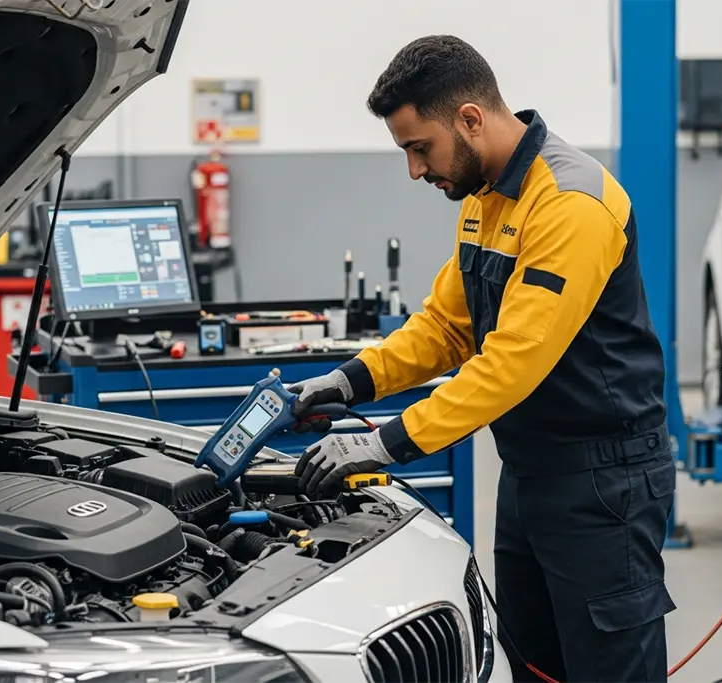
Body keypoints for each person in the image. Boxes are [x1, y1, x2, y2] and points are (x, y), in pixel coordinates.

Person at [291, 35, 676, 682]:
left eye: (420, 148)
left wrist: (384, 444)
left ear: (470, 119)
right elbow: (445, 325)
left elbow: (511, 363)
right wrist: (348, 381)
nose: (416, 170)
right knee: (533, 665)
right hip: (529, 475)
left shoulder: (570, 203)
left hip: (604, 483)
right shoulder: (485, 196)